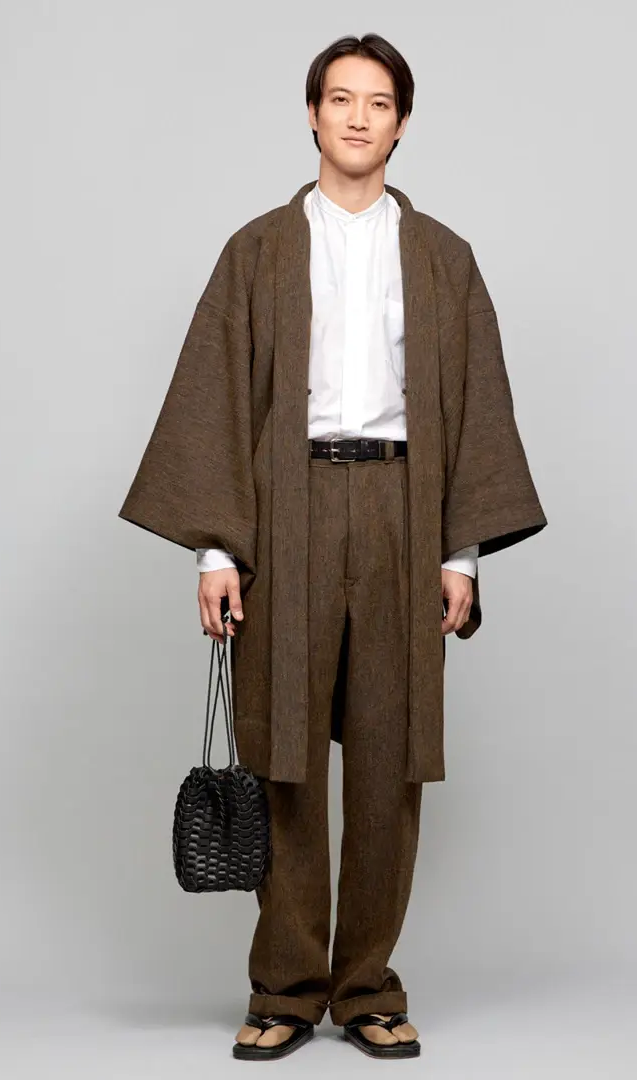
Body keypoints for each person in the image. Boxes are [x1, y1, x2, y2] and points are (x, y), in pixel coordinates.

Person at [119, 32, 547, 1061]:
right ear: (311, 114)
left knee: (391, 760)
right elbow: (218, 397)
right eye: (341, 98)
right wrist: (215, 550)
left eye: (379, 101)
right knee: (286, 753)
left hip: (403, 503)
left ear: (402, 124)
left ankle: (367, 989)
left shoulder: (442, 257)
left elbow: (475, 405)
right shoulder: (258, 250)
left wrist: (461, 553)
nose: (359, 117)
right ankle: (285, 987)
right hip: (290, 504)